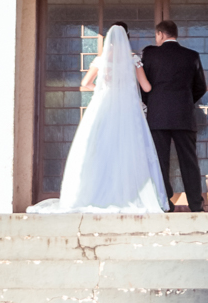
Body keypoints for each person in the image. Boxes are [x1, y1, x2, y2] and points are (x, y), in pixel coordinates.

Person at [28, 22, 168, 213]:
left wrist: (104, 91)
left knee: (100, 148)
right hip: (128, 110)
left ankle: (97, 192)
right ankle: (131, 194)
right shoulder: (133, 59)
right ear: (127, 37)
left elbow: (86, 82)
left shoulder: (100, 60)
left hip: (104, 106)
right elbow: (147, 88)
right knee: (130, 150)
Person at [141, 18, 208, 211]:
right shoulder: (192, 56)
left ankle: (166, 205)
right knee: (189, 161)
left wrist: (151, 102)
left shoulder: (150, 54)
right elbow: (201, 87)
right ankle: (196, 205)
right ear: (175, 34)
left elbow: (143, 85)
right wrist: (185, 101)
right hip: (184, 116)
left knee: (160, 161)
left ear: (160, 34)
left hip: (157, 116)